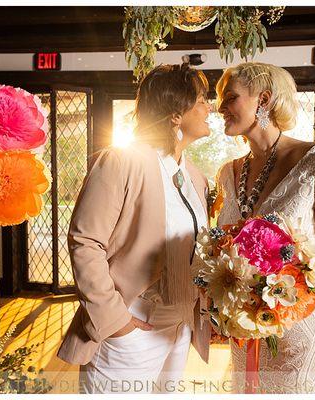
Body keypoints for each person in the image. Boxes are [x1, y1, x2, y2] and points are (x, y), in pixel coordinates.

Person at [57, 63, 213, 393]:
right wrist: (117, 323)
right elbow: (85, 241)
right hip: (131, 324)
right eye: (201, 99)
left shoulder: (195, 176)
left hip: (178, 325)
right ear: (175, 112)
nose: (209, 107)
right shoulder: (122, 160)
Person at [214, 62, 315, 393]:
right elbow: (222, 246)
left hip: (305, 322)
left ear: (264, 100)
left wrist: (287, 295)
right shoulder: (229, 172)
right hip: (247, 325)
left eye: (230, 98)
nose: (220, 108)